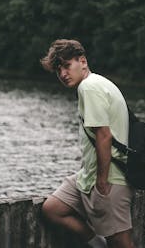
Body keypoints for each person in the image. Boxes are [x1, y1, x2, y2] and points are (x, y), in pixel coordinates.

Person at [40, 39, 135, 248]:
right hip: (88, 176)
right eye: (58, 70)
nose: (63, 74)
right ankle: (97, 244)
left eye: (67, 66)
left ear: (82, 61)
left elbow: (104, 135)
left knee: (121, 242)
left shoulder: (90, 87)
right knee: (53, 209)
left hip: (111, 177)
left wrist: (102, 183)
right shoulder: (94, 84)